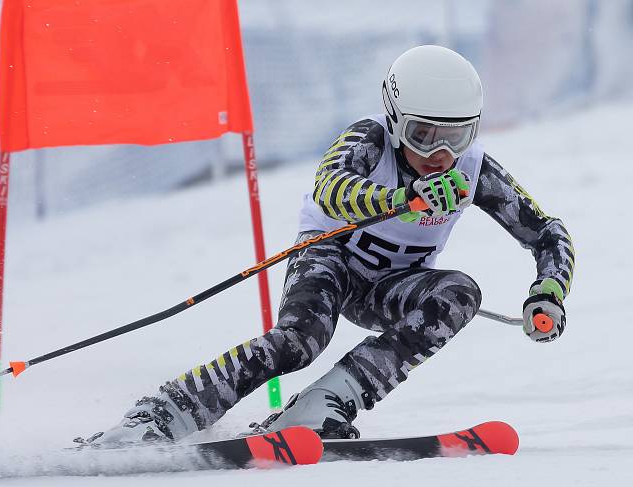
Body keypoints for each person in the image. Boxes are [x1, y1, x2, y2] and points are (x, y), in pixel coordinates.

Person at [90, 45, 574, 445]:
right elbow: (331, 187)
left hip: (389, 286)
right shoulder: (370, 139)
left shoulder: (472, 170)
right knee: (302, 340)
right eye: (423, 136)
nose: (440, 156)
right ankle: (161, 413)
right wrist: (403, 198)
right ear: (394, 119)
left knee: (460, 293)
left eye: (457, 137)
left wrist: (548, 291)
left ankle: (324, 404)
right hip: (330, 256)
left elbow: (548, 231)